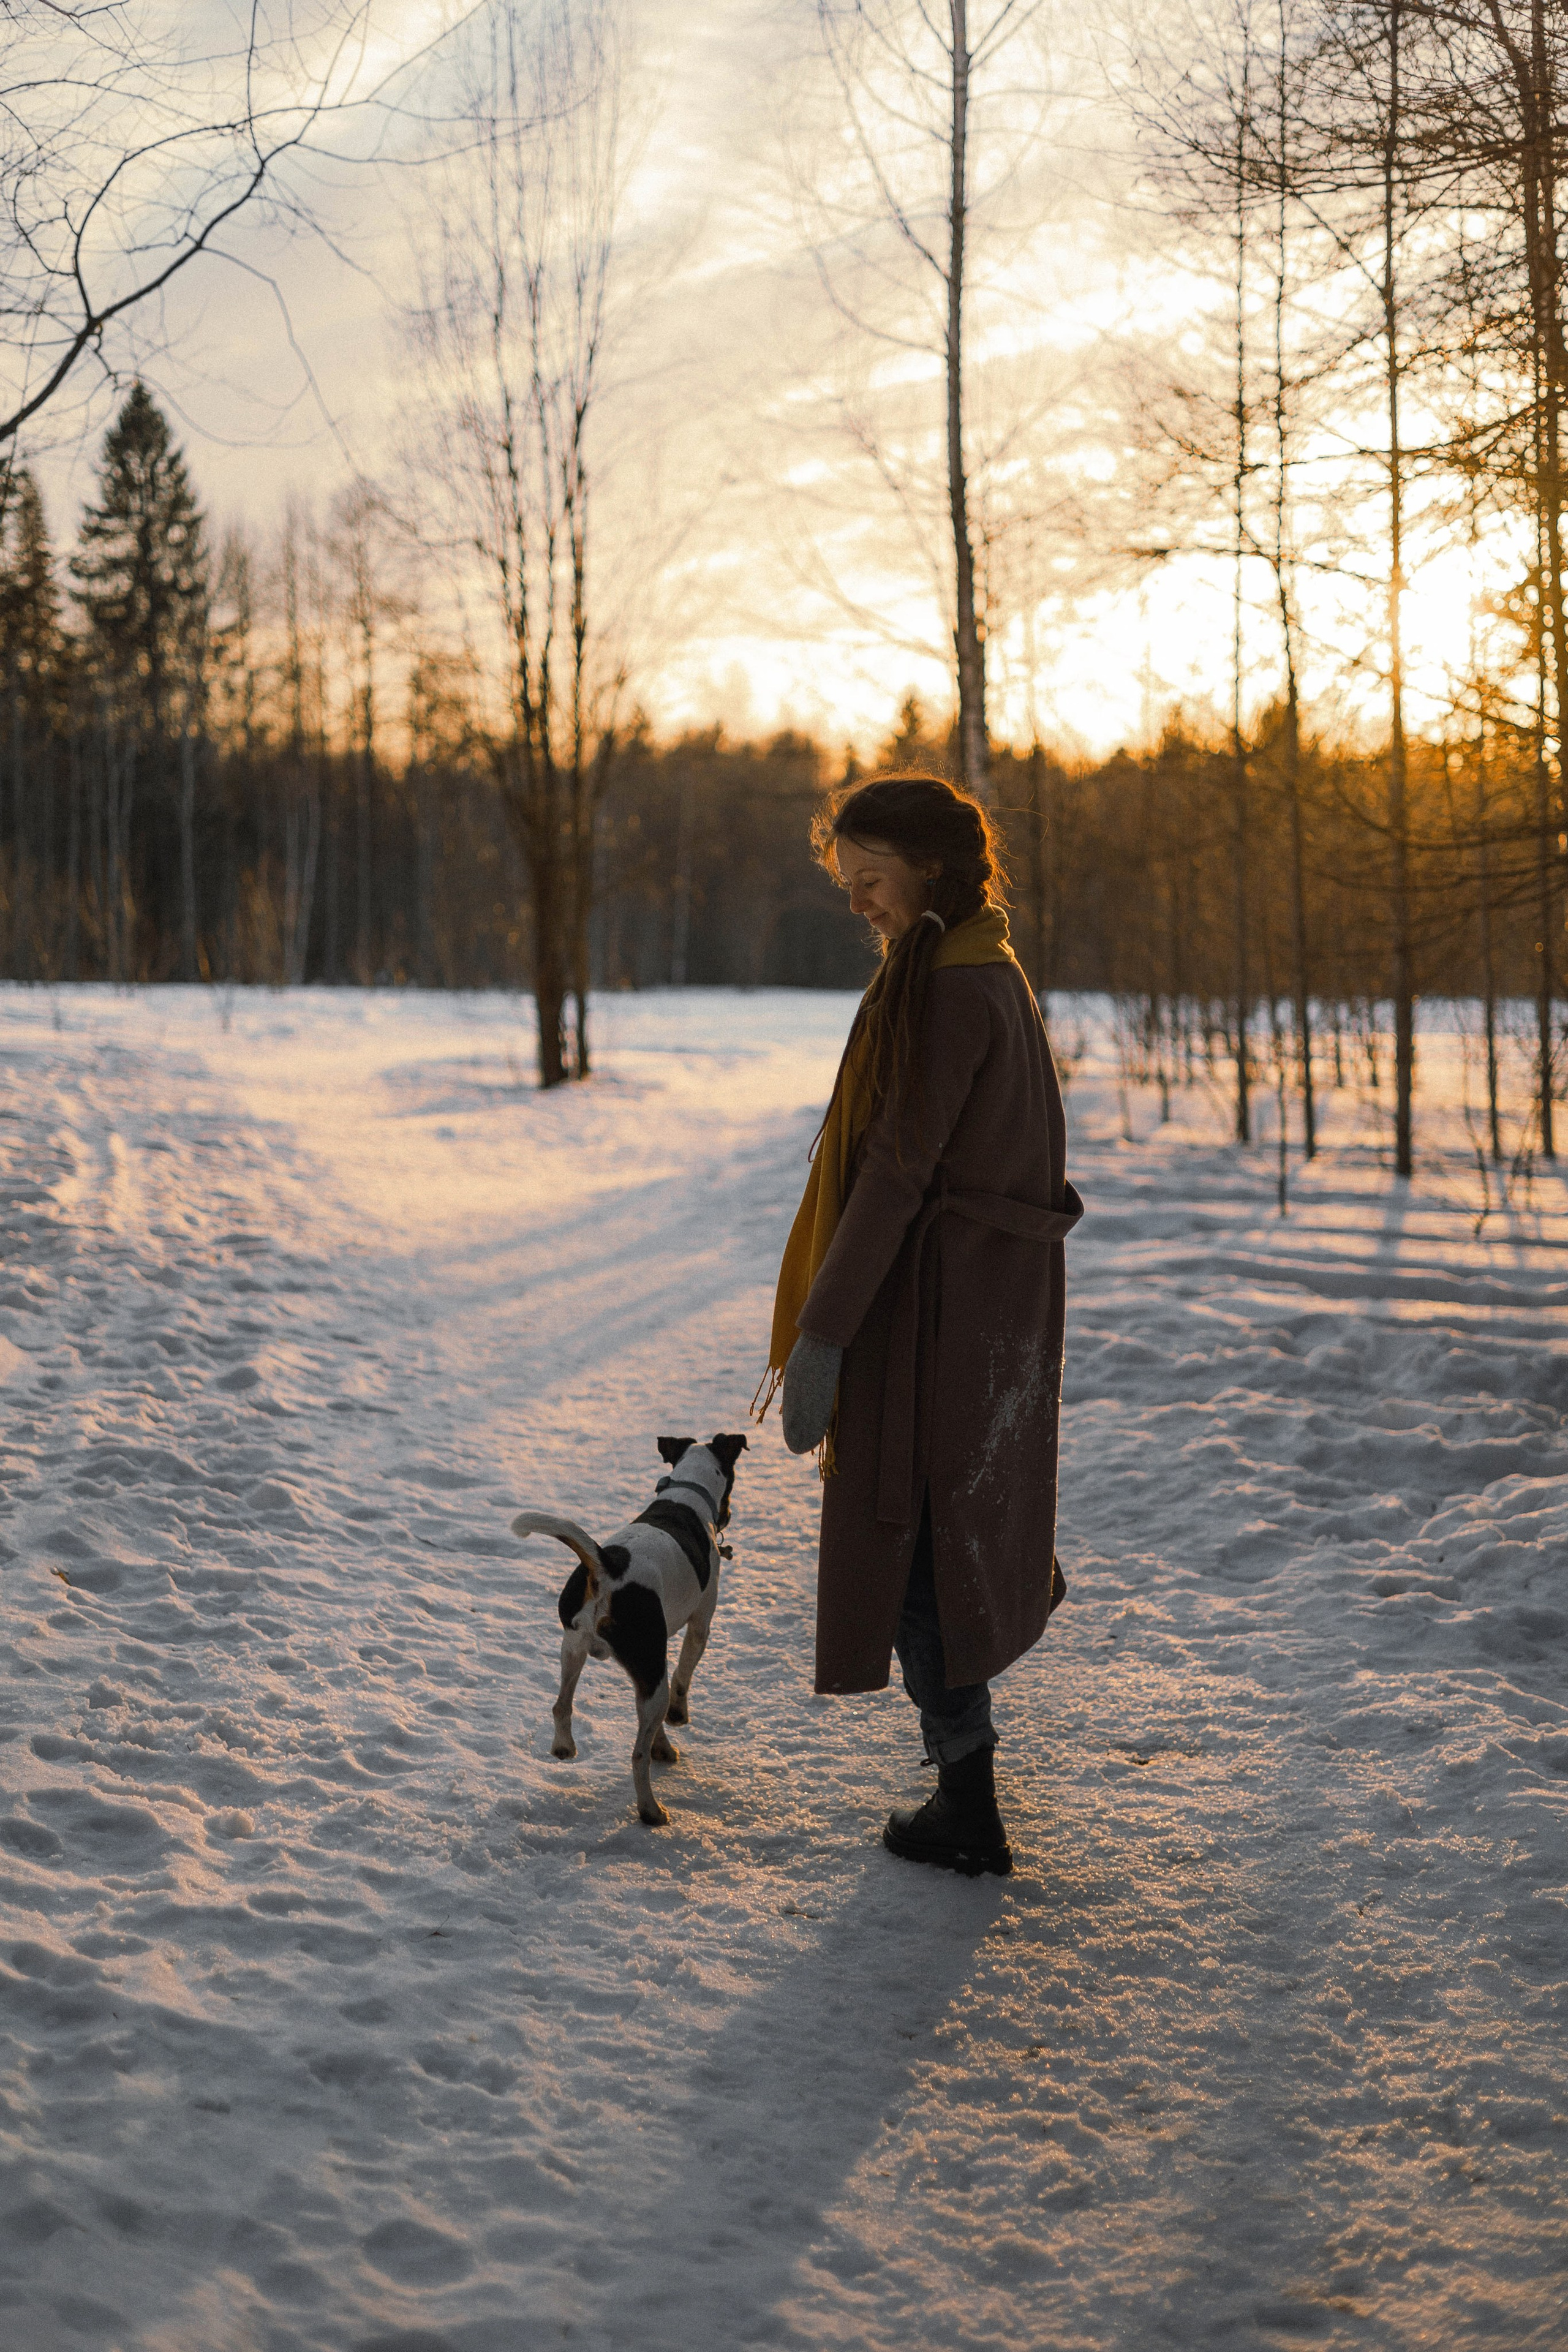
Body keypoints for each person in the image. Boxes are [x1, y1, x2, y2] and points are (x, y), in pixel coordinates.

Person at [760, 771, 1082, 1877]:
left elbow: (896, 1174)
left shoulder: (950, 989)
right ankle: (972, 1747)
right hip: (972, 1305)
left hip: (933, 1316)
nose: (857, 903)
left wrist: (826, 1331)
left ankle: (966, 1803)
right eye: (845, 882)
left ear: (928, 870)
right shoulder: (979, 961)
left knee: (910, 1549)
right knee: (947, 1534)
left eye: (870, 879)